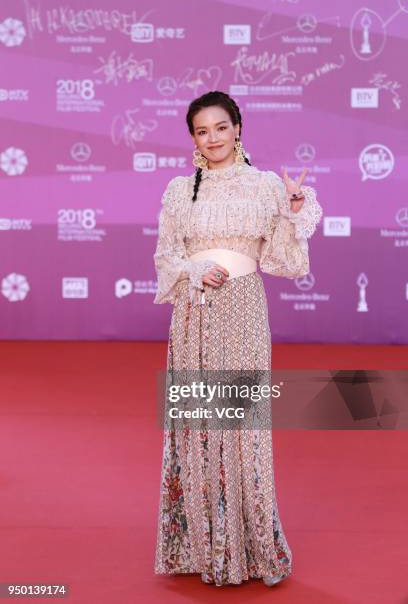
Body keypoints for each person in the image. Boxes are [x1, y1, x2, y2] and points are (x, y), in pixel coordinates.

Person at [152, 90, 323, 587]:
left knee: (243, 426)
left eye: (221, 128)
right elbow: (166, 258)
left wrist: (292, 210)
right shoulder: (179, 191)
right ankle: (201, 544)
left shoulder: (266, 185)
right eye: (202, 131)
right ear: (193, 139)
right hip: (193, 317)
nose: (213, 138)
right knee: (198, 424)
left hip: (244, 313)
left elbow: (284, 262)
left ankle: (250, 544)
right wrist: (193, 267)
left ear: (238, 129)